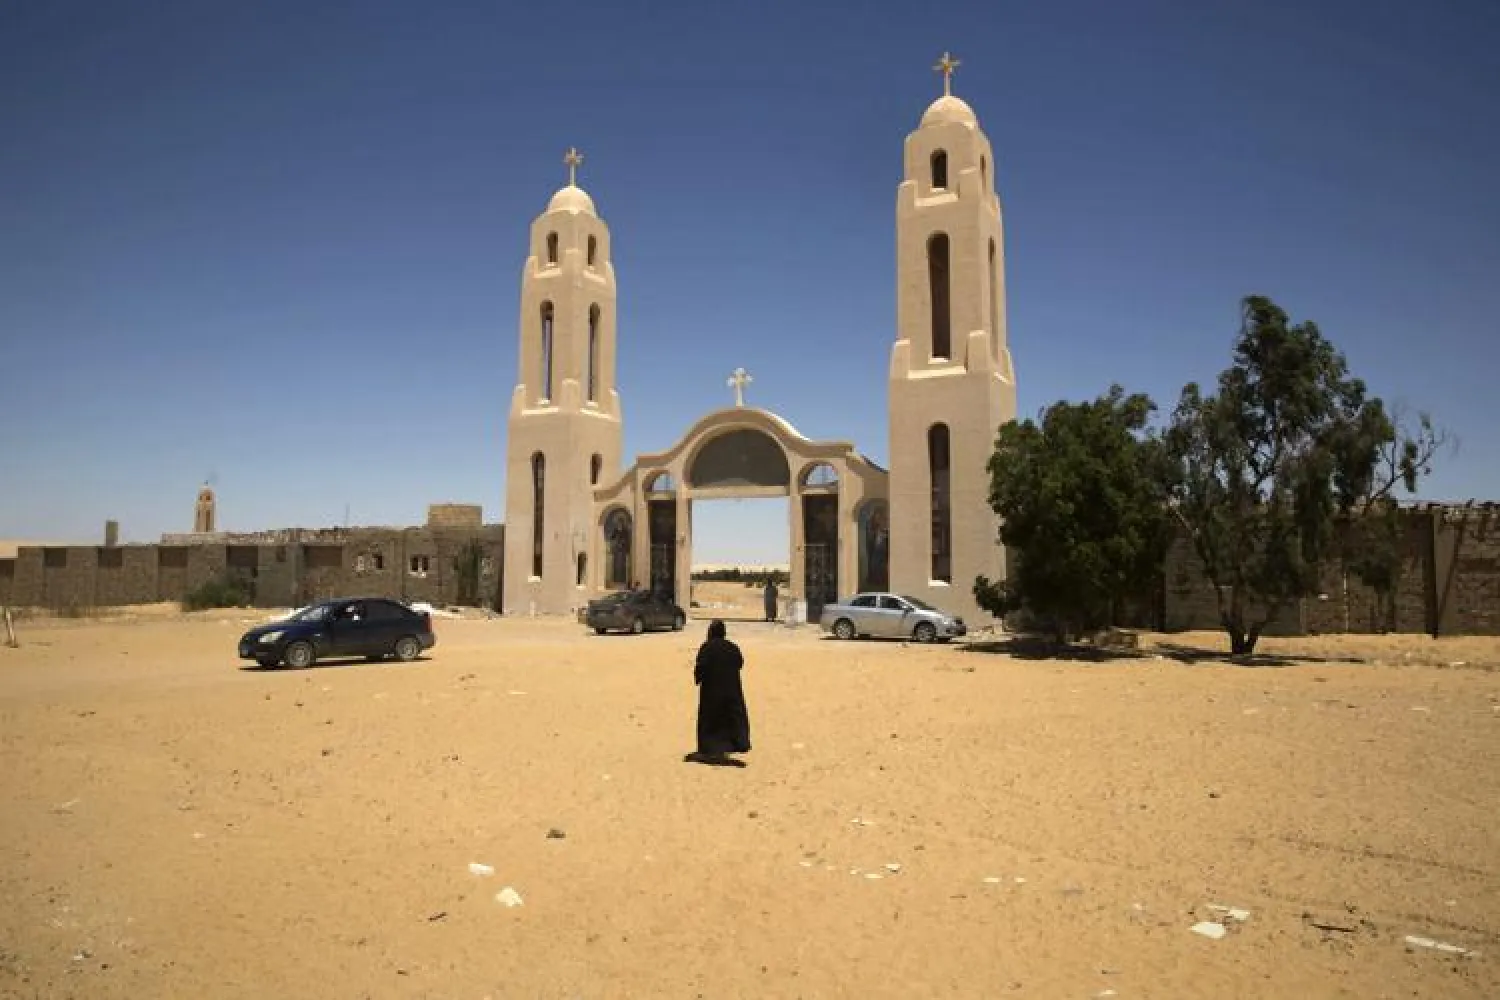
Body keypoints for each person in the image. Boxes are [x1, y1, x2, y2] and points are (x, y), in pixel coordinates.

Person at [685, 619, 751, 766]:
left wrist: (699, 678)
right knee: (733, 717)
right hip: (732, 689)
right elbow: (740, 663)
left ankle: (710, 748)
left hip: (712, 691)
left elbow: (701, 668)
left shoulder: (706, 647)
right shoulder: (733, 647)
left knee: (710, 719)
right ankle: (738, 743)